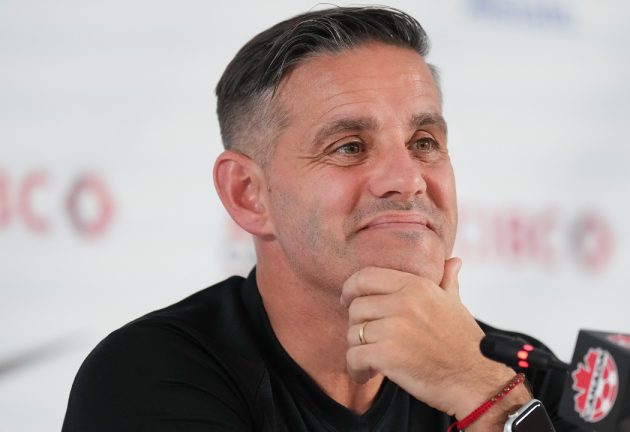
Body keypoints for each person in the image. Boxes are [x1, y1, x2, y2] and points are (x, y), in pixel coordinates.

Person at [63, 6, 579, 431]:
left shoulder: (515, 372)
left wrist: (482, 390)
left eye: (424, 143)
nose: (408, 179)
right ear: (248, 195)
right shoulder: (150, 375)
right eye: (350, 147)